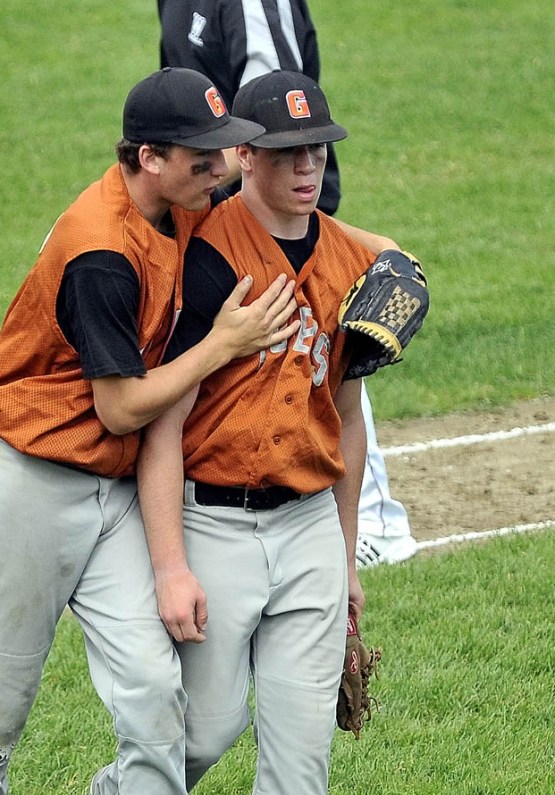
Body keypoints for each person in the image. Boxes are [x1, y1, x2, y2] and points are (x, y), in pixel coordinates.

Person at [0, 67, 300, 795]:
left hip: (112, 494)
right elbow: (124, 407)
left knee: (151, 688)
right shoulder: (100, 248)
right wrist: (221, 347)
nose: (223, 167)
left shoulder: (180, 210)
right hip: (27, 487)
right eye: (205, 156)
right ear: (148, 158)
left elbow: (286, 216)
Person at [133, 70, 421, 795]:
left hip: (303, 522)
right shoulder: (205, 252)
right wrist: (169, 562)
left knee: (300, 740)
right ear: (242, 156)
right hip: (211, 518)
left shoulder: (346, 260)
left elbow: (344, 408)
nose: (307, 169)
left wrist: (343, 557)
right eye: (287, 153)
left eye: (319, 151)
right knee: (208, 726)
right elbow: (165, 417)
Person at [156, 0, 417, 566]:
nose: (309, 160)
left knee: (320, 359)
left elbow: (283, 116)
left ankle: (373, 520)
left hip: (272, 218)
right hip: (225, 212)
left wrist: (341, 238)